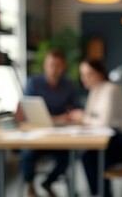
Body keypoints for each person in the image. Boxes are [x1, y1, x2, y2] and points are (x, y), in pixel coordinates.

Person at [69, 59, 122, 197]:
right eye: (82, 75)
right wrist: (82, 118)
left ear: (100, 73)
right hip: (114, 137)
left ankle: (101, 193)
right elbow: (91, 120)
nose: (85, 79)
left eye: (89, 74)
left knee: (90, 157)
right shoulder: (94, 91)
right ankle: (102, 192)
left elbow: (104, 122)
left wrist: (83, 117)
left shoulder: (111, 89)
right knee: (90, 156)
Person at [20, 49, 81, 197]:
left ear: (63, 67)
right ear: (45, 65)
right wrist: (57, 118)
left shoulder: (68, 85)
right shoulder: (33, 82)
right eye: (51, 64)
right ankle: (30, 185)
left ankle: (48, 182)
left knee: (72, 154)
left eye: (58, 65)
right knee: (27, 153)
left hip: (59, 135)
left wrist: (73, 116)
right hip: (37, 135)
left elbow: (77, 109)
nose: (54, 69)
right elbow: (27, 111)